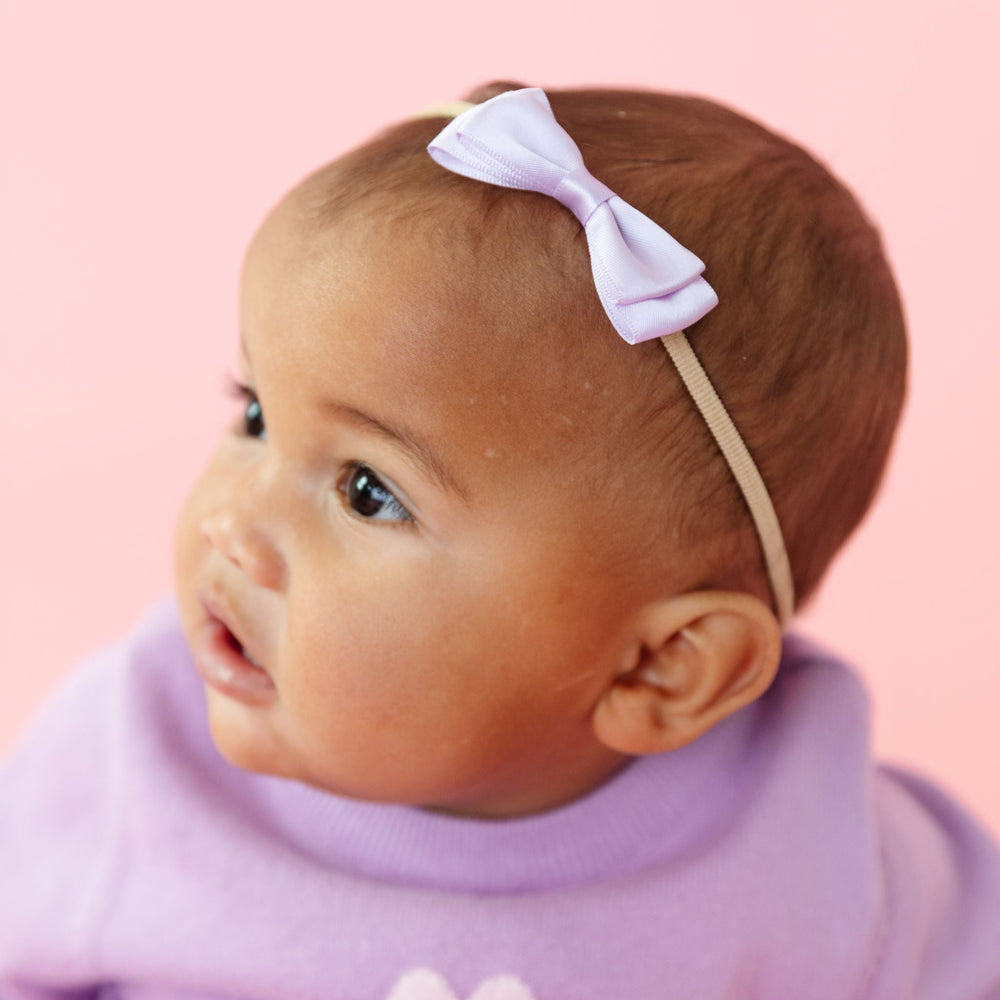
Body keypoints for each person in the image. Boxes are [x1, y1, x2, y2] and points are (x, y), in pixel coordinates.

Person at [1, 82, 998, 1000]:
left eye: (365, 492)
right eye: (255, 414)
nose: (231, 521)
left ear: (659, 667)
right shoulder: (133, 758)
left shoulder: (812, 844)